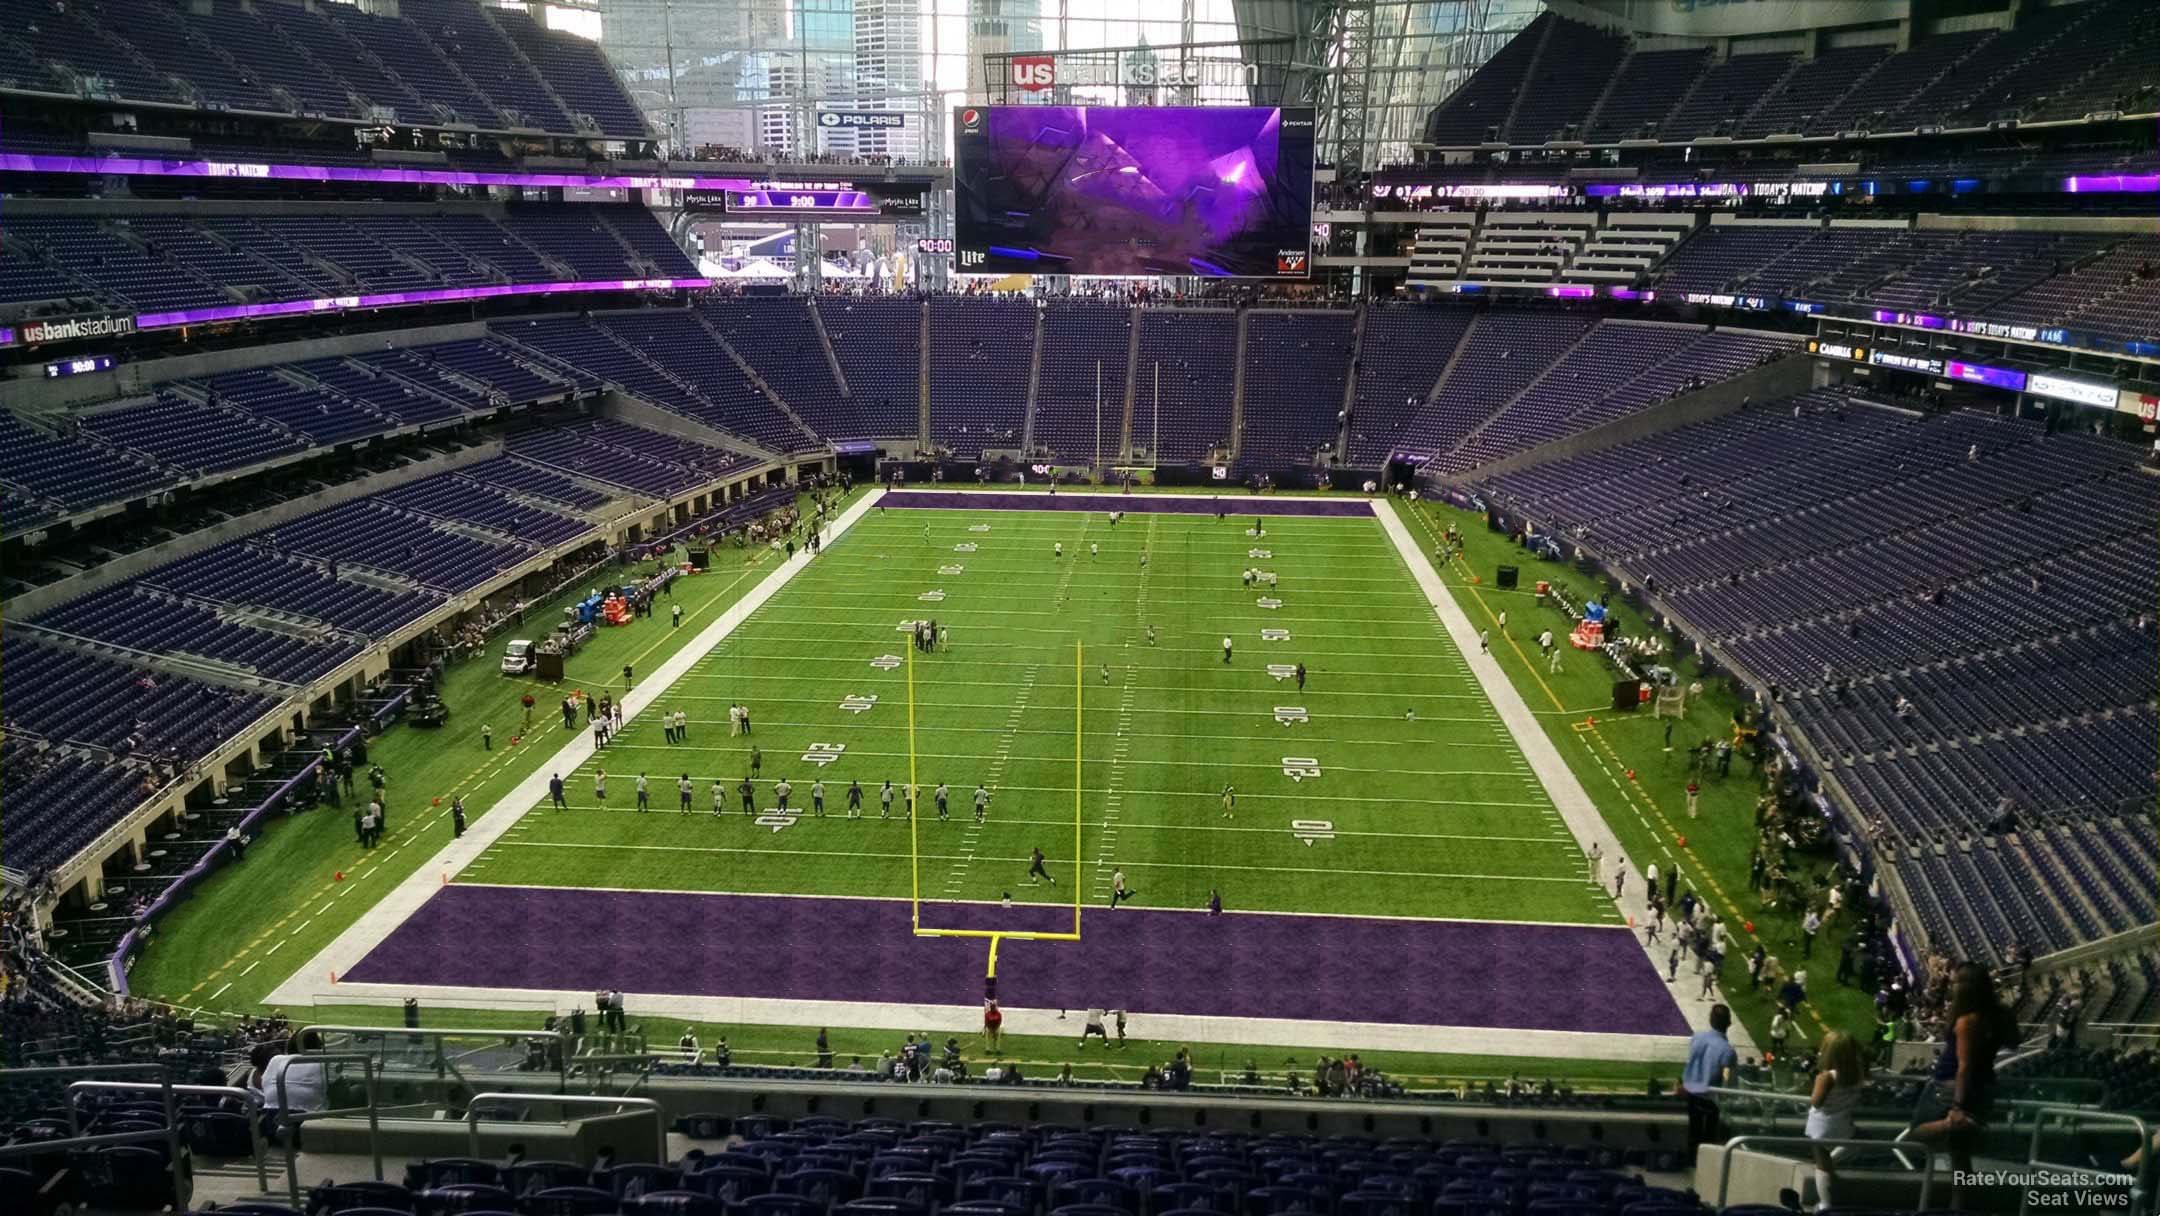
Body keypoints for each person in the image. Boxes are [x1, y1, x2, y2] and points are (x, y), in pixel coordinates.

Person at [1904, 962, 2017, 1208]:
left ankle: (1956, 1123)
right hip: (1981, 1085)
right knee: (1959, 1155)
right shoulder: (1999, 1015)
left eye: (1956, 982)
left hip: (1950, 1087)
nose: (1951, 986)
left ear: (1966, 988)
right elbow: (2013, 1044)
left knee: (1916, 1135)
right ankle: (1959, 1204)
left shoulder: (1968, 1021)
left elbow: (1964, 1065)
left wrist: (1956, 1107)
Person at [1805, 1030, 1863, 1211]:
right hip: (1842, 1122)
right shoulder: (1857, 1074)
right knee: (1857, 1139)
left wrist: (1815, 1082)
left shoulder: (1826, 1076)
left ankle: (1825, 1204)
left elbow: (1816, 1101)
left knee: (1821, 1163)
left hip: (1820, 1125)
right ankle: (1831, 1165)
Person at [1680, 1003, 1738, 1153]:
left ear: (1711, 1020)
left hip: (1691, 1093)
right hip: (1709, 1099)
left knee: (1693, 1132)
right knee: (1708, 1139)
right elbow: (1727, 1080)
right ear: (1729, 1023)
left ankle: (1692, 1159)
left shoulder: (1697, 1037)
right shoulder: (1727, 1051)